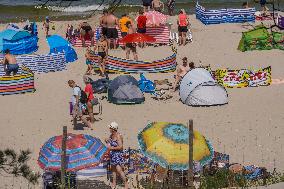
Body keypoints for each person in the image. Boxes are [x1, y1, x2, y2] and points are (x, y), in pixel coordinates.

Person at [105, 122, 128, 189]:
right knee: (113, 170)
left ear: (113, 129)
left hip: (117, 155)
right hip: (113, 155)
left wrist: (111, 148)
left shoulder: (118, 136)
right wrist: (106, 140)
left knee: (119, 170)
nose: (109, 129)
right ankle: (114, 183)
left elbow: (121, 147)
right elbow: (110, 143)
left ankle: (126, 184)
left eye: (110, 128)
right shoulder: (111, 135)